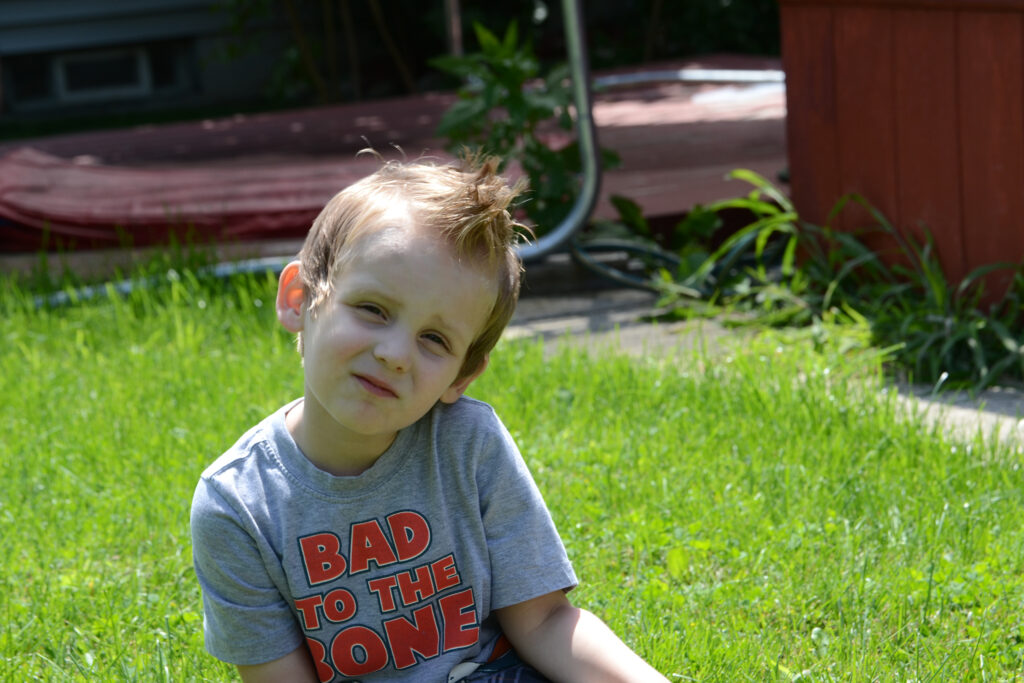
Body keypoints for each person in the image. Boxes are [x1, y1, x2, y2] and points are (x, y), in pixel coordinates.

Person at [190, 154, 669, 682]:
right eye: (373, 309)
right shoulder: (237, 505)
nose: (396, 353)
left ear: (461, 376)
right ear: (299, 299)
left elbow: (546, 621)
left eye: (434, 340)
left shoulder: (468, 443)